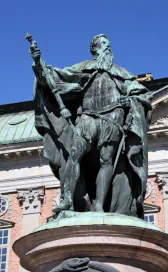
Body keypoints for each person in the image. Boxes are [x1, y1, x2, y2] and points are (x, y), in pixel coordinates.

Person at [30, 34, 152, 218]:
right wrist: (39, 62)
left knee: (107, 160)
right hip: (87, 118)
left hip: (112, 119)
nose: (108, 48)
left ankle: (100, 207)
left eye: (109, 45)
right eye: (104, 44)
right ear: (95, 49)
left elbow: (141, 94)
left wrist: (132, 100)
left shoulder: (121, 72)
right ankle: (68, 199)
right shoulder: (84, 67)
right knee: (74, 154)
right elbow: (55, 77)